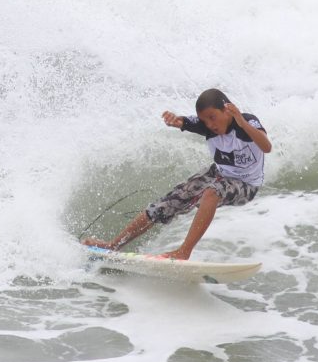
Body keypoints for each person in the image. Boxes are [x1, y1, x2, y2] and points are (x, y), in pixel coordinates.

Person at [82, 88, 272, 260]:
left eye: (213, 117)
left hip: (247, 184)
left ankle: (184, 252)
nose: (210, 124)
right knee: (168, 202)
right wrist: (176, 121)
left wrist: (241, 121)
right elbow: (186, 121)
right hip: (219, 173)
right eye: (205, 120)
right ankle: (113, 246)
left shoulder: (247, 122)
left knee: (213, 192)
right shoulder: (207, 126)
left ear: (227, 110)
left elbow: (266, 146)